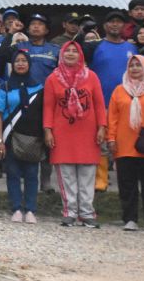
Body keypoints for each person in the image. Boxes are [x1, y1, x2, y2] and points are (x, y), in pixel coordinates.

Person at [44, 42, 108, 227]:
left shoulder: (92, 76)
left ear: (81, 55)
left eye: (75, 51)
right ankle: (70, 212)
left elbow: (98, 103)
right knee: (66, 175)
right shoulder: (52, 78)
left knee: (88, 174)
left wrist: (102, 127)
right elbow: (48, 107)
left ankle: (87, 213)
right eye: (67, 51)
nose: (71, 54)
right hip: (62, 132)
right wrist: (48, 130)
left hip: (88, 133)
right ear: (61, 54)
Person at [107, 55, 144, 232]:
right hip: (124, 145)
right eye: (131, 65)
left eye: (138, 65)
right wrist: (111, 138)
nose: (135, 68)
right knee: (127, 185)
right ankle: (130, 218)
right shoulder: (119, 90)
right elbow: (112, 118)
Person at [84, 10, 138, 191]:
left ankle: (126, 180)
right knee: (101, 141)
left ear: (124, 26)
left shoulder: (132, 48)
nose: (115, 25)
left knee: (125, 141)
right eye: (111, 22)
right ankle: (101, 180)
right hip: (101, 102)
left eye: (119, 22)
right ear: (105, 26)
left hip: (128, 102)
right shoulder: (95, 46)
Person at [0, 51, 44, 223]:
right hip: (10, 137)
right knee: (12, 174)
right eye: (17, 61)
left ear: (29, 64)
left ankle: (30, 209)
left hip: (33, 138)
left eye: (24, 61)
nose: (21, 64)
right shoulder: (4, 88)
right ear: (12, 65)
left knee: (31, 174)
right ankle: (16, 208)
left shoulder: (39, 88)